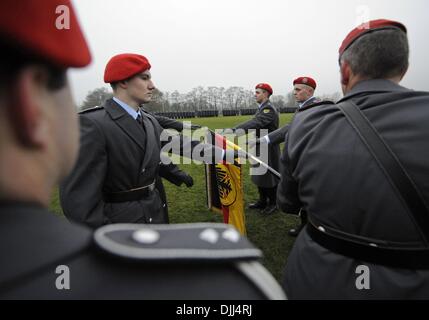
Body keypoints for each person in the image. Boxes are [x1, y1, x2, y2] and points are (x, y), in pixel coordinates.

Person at [0, 0, 286, 300]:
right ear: (123, 81)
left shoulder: (148, 120)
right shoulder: (94, 125)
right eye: (145, 77)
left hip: (154, 211)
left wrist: (227, 155)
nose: (152, 85)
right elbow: (79, 202)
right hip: (118, 222)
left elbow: (183, 145)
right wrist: (104, 248)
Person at [278, 19, 429, 299]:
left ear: (345, 71)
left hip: (320, 279)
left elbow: (287, 202)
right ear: (403, 69)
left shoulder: (309, 123)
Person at [252, 77, 332, 236]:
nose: (294, 93)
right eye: (294, 89)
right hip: (304, 156)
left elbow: (292, 128)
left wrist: (266, 139)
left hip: (311, 158)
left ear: (309, 91)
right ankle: (305, 224)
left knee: (307, 192)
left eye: (298, 89)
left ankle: (308, 226)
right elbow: (290, 127)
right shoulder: (305, 107)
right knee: (303, 191)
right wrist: (266, 139)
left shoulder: (314, 107)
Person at [231, 83, 280, 216]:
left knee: (268, 176)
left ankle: (273, 203)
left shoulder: (268, 109)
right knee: (259, 174)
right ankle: (262, 200)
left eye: (258, 92)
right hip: (258, 146)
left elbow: (256, 123)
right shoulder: (262, 108)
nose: (255, 94)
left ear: (266, 94)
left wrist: (235, 130)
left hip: (267, 148)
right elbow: (254, 122)